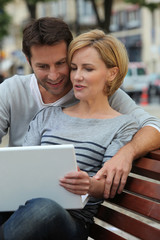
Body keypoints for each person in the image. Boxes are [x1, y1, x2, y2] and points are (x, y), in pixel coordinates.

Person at [0, 17, 160, 200]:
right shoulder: (11, 91)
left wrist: (127, 152)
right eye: (43, 66)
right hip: (22, 197)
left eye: (61, 63)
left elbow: (154, 127)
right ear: (29, 61)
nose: (53, 75)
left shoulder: (102, 94)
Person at [1, 29, 139, 240]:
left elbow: (108, 186)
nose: (77, 76)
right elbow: (24, 166)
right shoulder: (48, 115)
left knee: (44, 209)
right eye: (74, 68)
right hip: (23, 209)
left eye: (88, 69)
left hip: (71, 221)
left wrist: (90, 185)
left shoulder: (123, 125)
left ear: (111, 73)